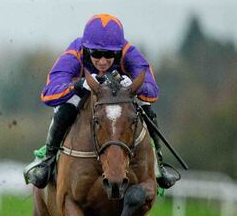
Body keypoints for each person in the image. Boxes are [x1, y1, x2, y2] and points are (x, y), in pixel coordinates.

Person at [24, 13, 180, 189]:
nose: (103, 61)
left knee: (146, 106)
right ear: (86, 49)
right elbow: (48, 93)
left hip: (120, 96)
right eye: (96, 54)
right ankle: (48, 160)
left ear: (119, 50)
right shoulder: (75, 52)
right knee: (67, 106)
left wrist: (135, 86)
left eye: (109, 54)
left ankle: (158, 162)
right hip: (84, 94)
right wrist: (77, 85)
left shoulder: (130, 53)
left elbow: (152, 91)